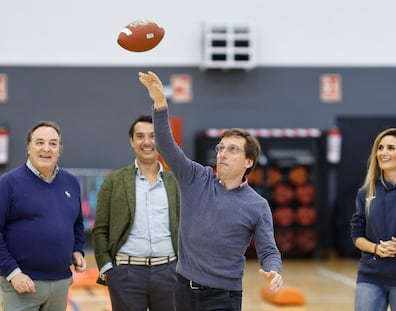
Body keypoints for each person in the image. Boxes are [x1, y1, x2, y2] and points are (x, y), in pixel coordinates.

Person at [138, 71, 283, 311]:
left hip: (223, 297)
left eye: (233, 149)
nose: (223, 153)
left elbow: (268, 249)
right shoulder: (195, 177)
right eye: (221, 147)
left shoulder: (257, 205)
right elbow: (165, 145)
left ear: (249, 162)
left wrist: (274, 270)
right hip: (183, 290)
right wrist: (160, 103)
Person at [92, 115, 180, 311]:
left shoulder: (175, 182)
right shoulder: (113, 181)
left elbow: (188, 226)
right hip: (126, 275)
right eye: (140, 136)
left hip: (170, 273)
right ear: (132, 141)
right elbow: (100, 230)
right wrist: (108, 268)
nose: (147, 142)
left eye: (153, 136)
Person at [0, 120, 86, 311]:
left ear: (59, 150)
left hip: (61, 284)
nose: (46, 148)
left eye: (53, 144)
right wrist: (13, 273)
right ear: (28, 148)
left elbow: (77, 224)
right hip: (21, 284)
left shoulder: (70, 182)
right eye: (39, 142)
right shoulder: (7, 183)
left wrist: (77, 250)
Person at [351, 127, 396, 311]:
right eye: (380, 148)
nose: (383, 153)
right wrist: (376, 248)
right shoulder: (366, 192)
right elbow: (357, 235)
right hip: (370, 278)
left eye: (390, 148)